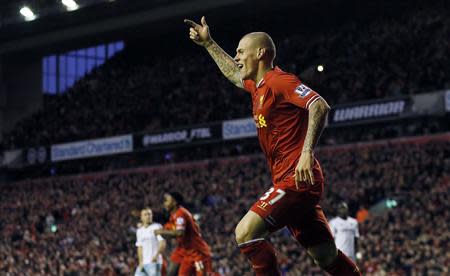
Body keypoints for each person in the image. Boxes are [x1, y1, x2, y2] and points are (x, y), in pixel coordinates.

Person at [184, 16, 362, 275]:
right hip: (287, 180)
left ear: (261, 53)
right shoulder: (258, 87)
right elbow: (234, 74)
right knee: (326, 257)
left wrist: (306, 152)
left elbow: (319, 105)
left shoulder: (280, 81)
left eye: (241, 51)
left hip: (298, 178)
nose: (236, 57)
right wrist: (209, 43)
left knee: (245, 232)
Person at [155, 192, 213, 276]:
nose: (164, 203)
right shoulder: (173, 215)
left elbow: (179, 233)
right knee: (170, 273)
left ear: (174, 202)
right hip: (183, 249)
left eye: (167, 201)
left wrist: (161, 232)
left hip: (197, 251)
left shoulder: (180, 214)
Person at [135, 208, 167, 276]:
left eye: (149, 214)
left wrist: (156, 256)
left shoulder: (157, 227)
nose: (148, 216)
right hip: (143, 263)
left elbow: (162, 243)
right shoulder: (139, 231)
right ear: (141, 217)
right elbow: (140, 247)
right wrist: (140, 262)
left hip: (154, 262)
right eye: (145, 214)